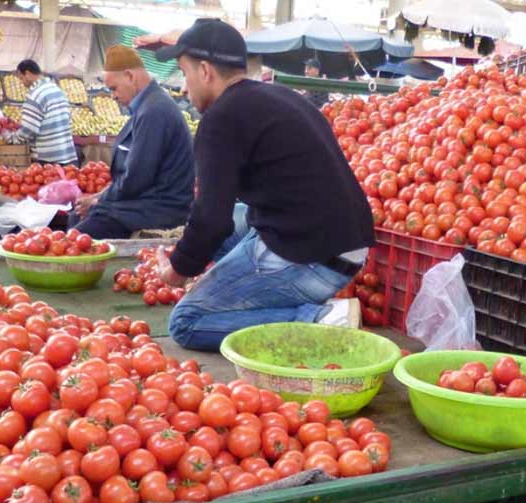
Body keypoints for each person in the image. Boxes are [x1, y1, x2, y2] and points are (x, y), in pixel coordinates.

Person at [154, 19, 373, 351]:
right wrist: (193, 253)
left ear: (204, 71)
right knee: (238, 215)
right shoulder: (283, 97)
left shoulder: (220, 119)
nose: (184, 88)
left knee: (186, 323)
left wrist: (178, 270)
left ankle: (319, 320)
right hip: (348, 244)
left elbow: (211, 220)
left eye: (184, 74)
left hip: (315, 259)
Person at [70, 46, 195, 239]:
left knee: (78, 237)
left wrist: (99, 201)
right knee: (76, 218)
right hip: (143, 203)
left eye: (113, 88)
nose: (112, 96)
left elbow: (137, 178)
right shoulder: (149, 105)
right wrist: (98, 197)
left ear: (130, 76)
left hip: (157, 209)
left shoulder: (154, 111)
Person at [5, 59, 77, 165]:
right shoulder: (56, 89)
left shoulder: (35, 96)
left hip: (48, 158)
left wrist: (12, 138)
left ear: (28, 74)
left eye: (21, 78)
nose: (22, 83)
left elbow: (29, 129)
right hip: (66, 153)